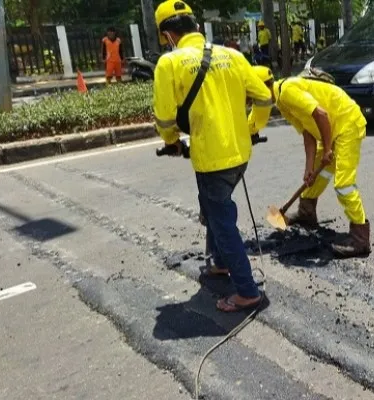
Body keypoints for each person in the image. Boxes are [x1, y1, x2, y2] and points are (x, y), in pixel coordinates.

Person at [153, 0, 274, 312]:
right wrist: (251, 127)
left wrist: (171, 141)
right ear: (195, 25)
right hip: (240, 154)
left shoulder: (170, 63)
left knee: (221, 220)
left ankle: (247, 291)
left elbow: (165, 118)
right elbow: (264, 96)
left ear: (167, 35)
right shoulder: (232, 55)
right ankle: (219, 263)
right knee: (213, 207)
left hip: (211, 158)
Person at [251, 65, 371, 258]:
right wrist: (309, 168)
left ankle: (360, 239)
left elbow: (321, 114)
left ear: (264, 88)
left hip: (346, 124)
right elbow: (308, 132)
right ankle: (306, 214)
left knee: (344, 185)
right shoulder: (282, 103)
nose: (255, 101)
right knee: (316, 174)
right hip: (331, 130)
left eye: (255, 94)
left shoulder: (288, 91)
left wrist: (328, 149)